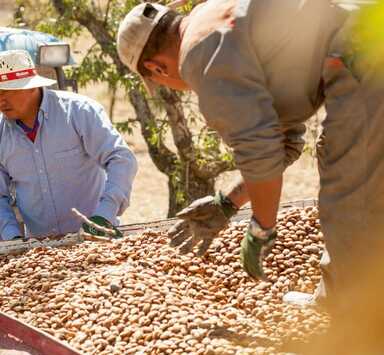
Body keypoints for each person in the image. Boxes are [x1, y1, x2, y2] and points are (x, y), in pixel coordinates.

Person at [116, 0, 384, 309]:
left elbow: (260, 152)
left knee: (350, 199)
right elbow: (284, 140)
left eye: (159, 82)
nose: (172, 87)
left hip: (362, 58)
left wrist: (261, 228)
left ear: (156, 67)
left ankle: (354, 338)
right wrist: (228, 204)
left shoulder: (198, 55)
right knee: (344, 173)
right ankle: (338, 300)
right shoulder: (214, 16)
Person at [0, 50, 138, 240]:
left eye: (5, 91)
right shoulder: (1, 132)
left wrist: (104, 216)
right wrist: (12, 237)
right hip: (40, 249)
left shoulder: (79, 112)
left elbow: (121, 159)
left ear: (31, 87)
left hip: (96, 239)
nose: (1, 100)